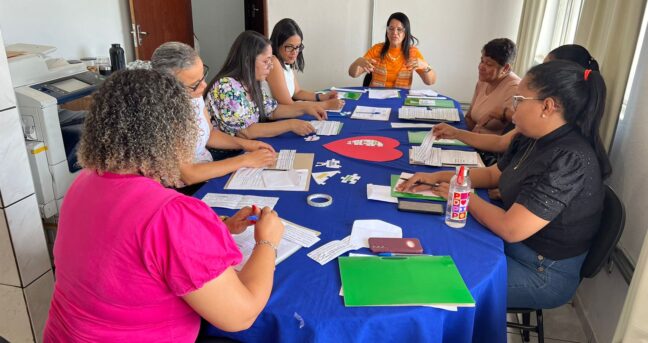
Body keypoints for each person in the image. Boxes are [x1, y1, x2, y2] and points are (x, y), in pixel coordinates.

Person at [44, 69, 285, 341]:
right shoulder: (170, 215)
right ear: (174, 133)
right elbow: (242, 315)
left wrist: (222, 226)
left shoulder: (84, 183)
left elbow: (127, 244)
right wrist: (268, 242)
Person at [399, 60, 612, 309]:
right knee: (433, 240)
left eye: (519, 100)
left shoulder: (569, 158)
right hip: (515, 245)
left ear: (547, 107)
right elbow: (492, 175)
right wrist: (440, 177)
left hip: (541, 271)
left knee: (430, 283)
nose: (513, 108)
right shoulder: (532, 136)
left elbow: (511, 228)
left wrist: (462, 196)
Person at [434, 44, 600, 154]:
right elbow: (501, 168)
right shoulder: (539, 125)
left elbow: (500, 146)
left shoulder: (566, 150)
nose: (516, 111)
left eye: (521, 100)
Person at [151, 42, 276, 185]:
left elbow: (210, 134)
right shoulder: (162, 114)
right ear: (167, 87)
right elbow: (188, 175)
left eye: (203, 76)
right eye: (195, 83)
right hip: (187, 188)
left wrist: (246, 145)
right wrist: (245, 160)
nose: (204, 85)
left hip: (208, 171)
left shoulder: (195, 97)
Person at [207, 30, 327, 139]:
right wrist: (290, 124)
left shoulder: (250, 83)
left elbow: (273, 110)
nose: (271, 66)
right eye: (266, 61)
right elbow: (246, 132)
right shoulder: (226, 86)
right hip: (228, 154)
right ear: (248, 61)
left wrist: (305, 108)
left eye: (271, 60)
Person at [265, 18, 344, 111]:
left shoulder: (285, 62)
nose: (295, 52)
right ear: (277, 44)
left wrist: (322, 97)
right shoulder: (274, 62)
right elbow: (288, 104)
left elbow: (297, 92)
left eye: (297, 47)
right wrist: (325, 105)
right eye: (289, 47)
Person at [348, 12, 436, 88]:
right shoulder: (377, 49)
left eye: (399, 29)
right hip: (376, 98)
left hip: (400, 100)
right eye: (391, 28)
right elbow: (353, 74)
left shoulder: (412, 52)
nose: (394, 33)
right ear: (387, 31)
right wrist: (358, 62)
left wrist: (425, 66)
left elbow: (430, 82)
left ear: (406, 32)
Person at [462, 38, 520, 135]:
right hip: (475, 139)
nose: (481, 67)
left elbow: (513, 137)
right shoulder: (484, 80)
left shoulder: (515, 89)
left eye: (488, 64)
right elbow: (469, 118)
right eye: (482, 61)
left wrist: (482, 133)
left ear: (506, 68)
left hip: (491, 147)